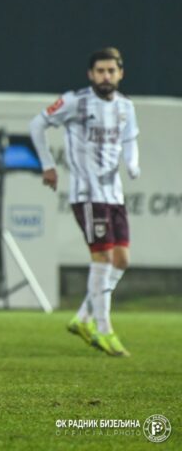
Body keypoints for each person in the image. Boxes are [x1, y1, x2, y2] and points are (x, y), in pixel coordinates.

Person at [29, 47, 139, 357]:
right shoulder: (76, 101)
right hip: (87, 194)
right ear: (90, 75)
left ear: (121, 74)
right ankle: (104, 331)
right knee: (102, 259)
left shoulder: (126, 107)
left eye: (111, 71)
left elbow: (130, 140)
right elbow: (37, 124)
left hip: (114, 193)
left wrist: (132, 163)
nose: (106, 76)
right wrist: (48, 164)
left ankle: (82, 318)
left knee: (122, 260)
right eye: (100, 71)